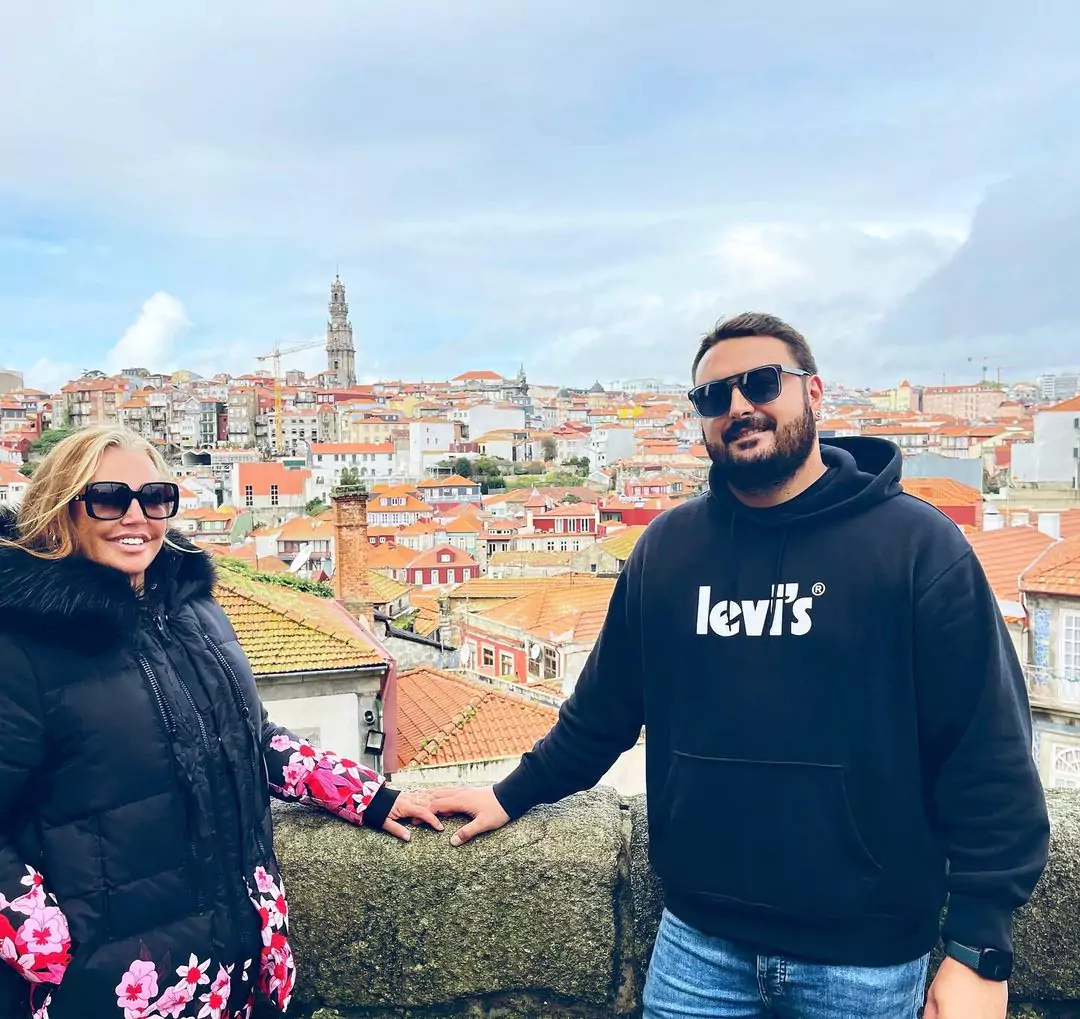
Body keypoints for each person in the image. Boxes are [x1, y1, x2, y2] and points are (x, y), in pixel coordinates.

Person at [431, 313, 1050, 1019]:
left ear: (814, 392)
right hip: (700, 945)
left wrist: (978, 950)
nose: (738, 407)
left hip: (866, 959)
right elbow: (600, 714)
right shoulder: (667, 551)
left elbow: (988, 748)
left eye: (760, 383)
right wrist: (511, 794)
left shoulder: (917, 547)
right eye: (713, 396)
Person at [0, 425, 446, 1019]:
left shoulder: (194, 610)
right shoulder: (21, 642)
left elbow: (249, 738)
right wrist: (43, 943)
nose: (136, 516)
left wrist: (371, 798)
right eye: (108, 498)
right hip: (116, 986)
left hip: (240, 964)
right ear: (64, 510)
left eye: (155, 498)